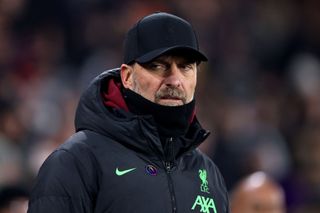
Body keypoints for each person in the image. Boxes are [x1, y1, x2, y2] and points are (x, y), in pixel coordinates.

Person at [27, 12, 230, 213]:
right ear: (127, 76)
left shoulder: (208, 173)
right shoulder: (77, 161)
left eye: (185, 67)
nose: (175, 80)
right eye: (159, 66)